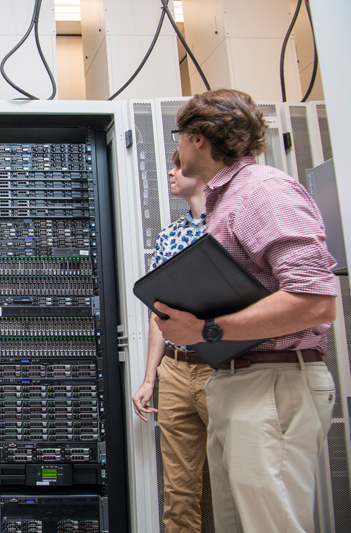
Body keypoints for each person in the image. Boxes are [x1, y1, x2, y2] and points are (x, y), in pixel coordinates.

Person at [155, 88, 337, 533]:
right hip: (239, 380)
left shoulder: (263, 191)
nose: (175, 148)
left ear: (199, 138)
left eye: (179, 136)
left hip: (273, 381)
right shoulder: (226, 201)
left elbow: (315, 300)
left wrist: (206, 329)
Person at [131, 149, 212, 532]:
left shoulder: (230, 225)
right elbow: (158, 314)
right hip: (177, 370)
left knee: (237, 480)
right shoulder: (170, 235)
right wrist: (150, 379)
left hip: (223, 367)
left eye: (178, 165)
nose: (170, 171)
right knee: (179, 492)